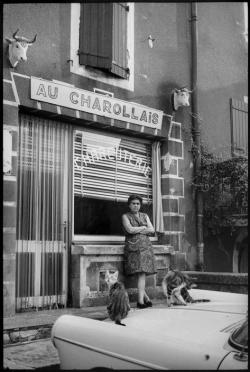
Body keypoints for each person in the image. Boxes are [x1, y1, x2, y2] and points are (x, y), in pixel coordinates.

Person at [122, 194, 157, 309]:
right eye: (133, 203)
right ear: (129, 205)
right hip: (133, 247)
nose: (136, 206)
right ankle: (141, 301)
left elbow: (151, 229)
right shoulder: (125, 216)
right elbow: (129, 229)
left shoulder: (145, 216)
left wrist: (141, 229)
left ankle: (144, 299)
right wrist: (143, 228)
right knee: (140, 273)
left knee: (142, 273)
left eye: (138, 204)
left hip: (146, 247)